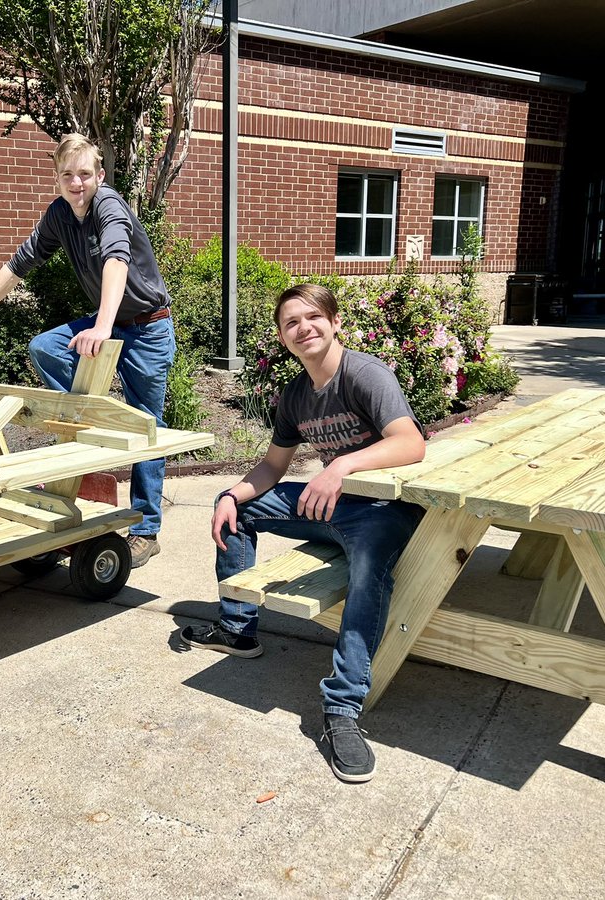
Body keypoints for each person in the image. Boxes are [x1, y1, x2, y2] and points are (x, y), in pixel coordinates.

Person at [181, 283, 426, 783]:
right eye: (291, 322)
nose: (303, 328)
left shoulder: (364, 374)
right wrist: (230, 494)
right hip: (332, 505)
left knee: (367, 572)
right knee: (235, 510)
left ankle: (342, 709)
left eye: (313, 317)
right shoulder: (295, 395)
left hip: (386, 509)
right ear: (282, 336)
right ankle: (237, 629)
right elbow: (273, 467)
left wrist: (340, 467)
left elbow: (411, 443)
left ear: (335, 323)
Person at [0, 134, 176, 568]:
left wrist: (102, 326)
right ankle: (89, 418)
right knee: (46, 347)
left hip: (148, 328)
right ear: (57, 178)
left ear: (99, 175)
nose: (76, 183)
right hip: (109, 321)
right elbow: (17, 265)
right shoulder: (59, 215)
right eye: (67, 174)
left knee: (148, 427)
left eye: (84, 174)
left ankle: (146, 530)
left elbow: (116, 261)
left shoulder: (109, 206)